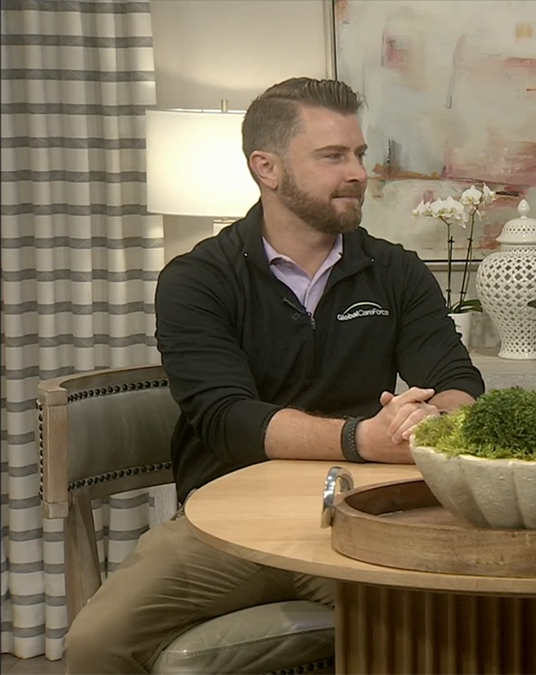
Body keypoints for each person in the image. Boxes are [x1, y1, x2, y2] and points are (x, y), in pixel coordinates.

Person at [64, 77, 485, 674]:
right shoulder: (197, 280)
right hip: (227, 520)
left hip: (364, 517)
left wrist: (431, 422)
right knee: (95, 644)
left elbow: (457, 381)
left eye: (359, 154)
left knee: (458, 626)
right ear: (268, 168)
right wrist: (362, 438)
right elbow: (228, 419)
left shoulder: (396, 271)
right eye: (332, 156)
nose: (358, 173)